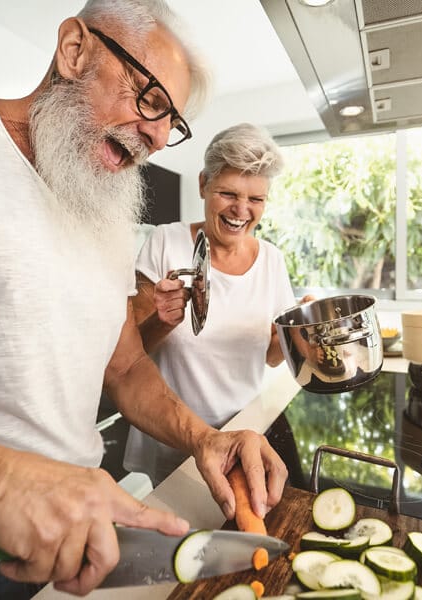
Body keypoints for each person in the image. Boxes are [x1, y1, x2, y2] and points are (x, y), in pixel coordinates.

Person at [0, 2, 287, 598]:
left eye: (171, 121)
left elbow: (125, 368)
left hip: (78, 550)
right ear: (75, 49)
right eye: (149, 98)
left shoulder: (106, 216)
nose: (156, 136)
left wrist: (206, 439)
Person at [124, 123, 301, 485]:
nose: (241, 210)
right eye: (228, 193)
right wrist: (164, 319)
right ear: (204, 184)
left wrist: (299, 334)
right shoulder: (165, 242)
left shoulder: (272, 260)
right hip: (177, 434)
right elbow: (130, 354)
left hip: (246, 429)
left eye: (256, 199)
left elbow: (269, 356)